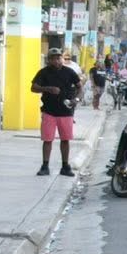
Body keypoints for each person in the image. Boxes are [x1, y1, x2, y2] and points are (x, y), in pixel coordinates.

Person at [31, 47, 81, 176]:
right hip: (49, 111)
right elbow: (33, 88)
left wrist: (76, 99)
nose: (57, 61)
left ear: (62, 59)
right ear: (49, 60)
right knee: (47, 140)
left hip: (66, 111)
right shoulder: (44, 72)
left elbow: (80, 88)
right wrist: (47, 89)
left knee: (65, 139)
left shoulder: (69, 72)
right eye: (53, 59)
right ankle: (45, 166)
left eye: (59, 58)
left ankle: (65, 166)